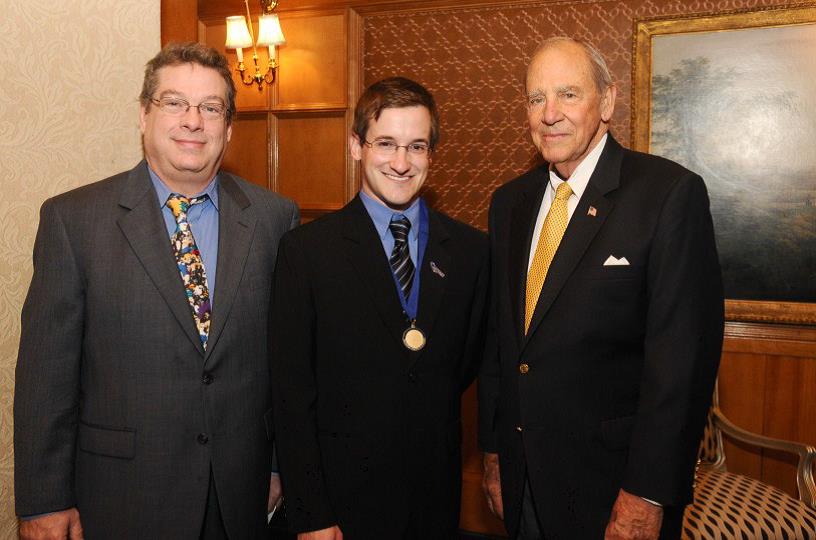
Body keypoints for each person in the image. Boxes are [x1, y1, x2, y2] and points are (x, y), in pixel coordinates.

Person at [14, 42, 298, 539]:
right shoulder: (73, 221)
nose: (193, 121)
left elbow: (287, 362)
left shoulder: (275, 218)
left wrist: (278, 464)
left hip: (241, 495)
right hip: (122, 497)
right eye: (174, 103)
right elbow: (45, 377)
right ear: (144, 115)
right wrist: (44, 502)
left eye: (211, 108)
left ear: (229, 127)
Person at [478, 37, 724, 539]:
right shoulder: (509, 203)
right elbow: (500, 342)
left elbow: (681, 365)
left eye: (568, 94)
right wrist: (495, 451)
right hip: (524, 479)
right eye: (536, 98)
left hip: (613, 490)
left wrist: (647, 494)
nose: (550, 114)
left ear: (607, 101)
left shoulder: (667, 195)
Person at [271, 77, 488, 539]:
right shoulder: (307, 252)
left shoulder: (470, 252)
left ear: (432, 154)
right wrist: (312, 513)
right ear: (357, 146)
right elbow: (291, 395)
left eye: (417, 147)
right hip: (340, 507)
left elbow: (464, 367)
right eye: (386, 143)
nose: (401, 163)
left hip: (435, 501)